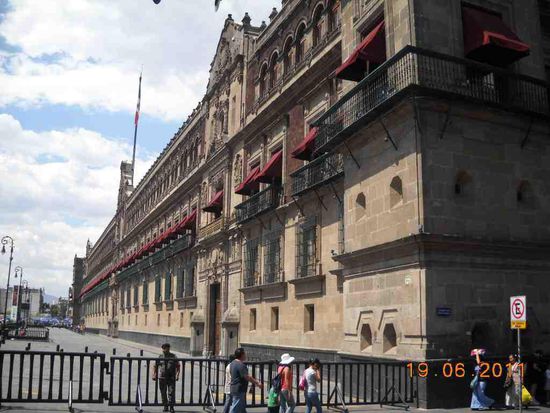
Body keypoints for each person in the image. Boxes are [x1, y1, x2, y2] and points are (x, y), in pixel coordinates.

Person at [229, 347, 263, 413]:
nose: (245, 355)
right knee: (235, 409)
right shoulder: (241, 365)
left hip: (235, 388)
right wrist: (257, 383)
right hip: (239, 389)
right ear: (242, 355)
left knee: (241, 409)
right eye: (244, 354)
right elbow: (247, 377)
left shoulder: (233, 363)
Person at [152, 343, 180, 413]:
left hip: (171, 377)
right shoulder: (160, 356)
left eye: (166, 348)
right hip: (162, 377)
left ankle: (171, 407)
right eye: (163, 348)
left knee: (171, 392)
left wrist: (177, 375)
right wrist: (154, 374)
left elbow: (178, 366)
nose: (164, 350)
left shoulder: (173, 356)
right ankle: (165, 406)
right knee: (163, 392)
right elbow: (155, 366)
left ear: (169, 348)